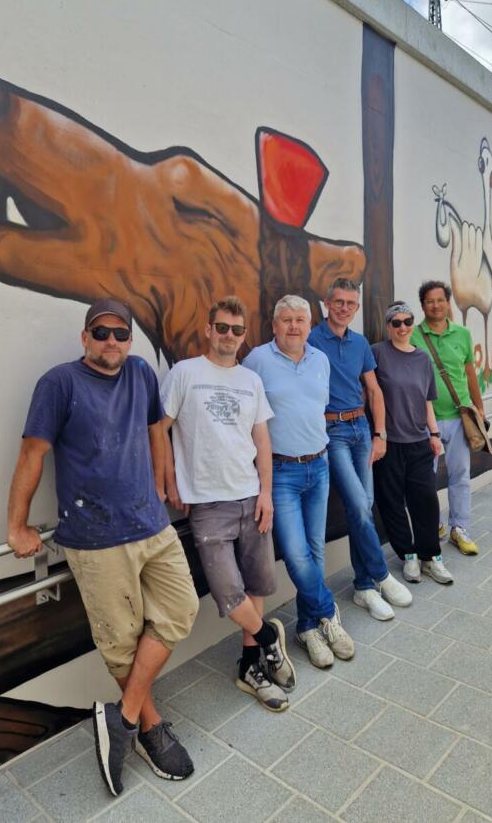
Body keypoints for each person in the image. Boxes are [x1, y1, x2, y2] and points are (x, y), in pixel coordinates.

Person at [6, 298, 199, 797]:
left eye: (120, 333)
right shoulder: (59, 383)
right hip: (94, 538)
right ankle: (150, 729)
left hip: (151, 524)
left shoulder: (140, 372)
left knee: (182, 607)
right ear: (85, 336)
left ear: (130, 340)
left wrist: (162, 483)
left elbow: (156, 429)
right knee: (121, 642)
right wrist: (17, 525)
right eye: (101, 332)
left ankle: (123, 718)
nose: (111, 341)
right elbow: (32, 453)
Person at [160, 296, 296, 713]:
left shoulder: (250, 380)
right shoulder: (184, 373)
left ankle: (251, 667)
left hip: (250, 494)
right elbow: (158, 430)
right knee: (228, 592)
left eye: (237, 331)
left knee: (256, 585)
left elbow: (262, 441)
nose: (229, 336)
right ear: (208, 329)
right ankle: (271, 639)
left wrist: (267, 493)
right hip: (207, 503)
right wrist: (167, 481)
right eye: (222, 328)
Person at [243, 295, 355, 669]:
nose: (293, 326)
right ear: (274, 325)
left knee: (315, 552)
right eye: (286, 320)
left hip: (318, 466)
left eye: (300, 320)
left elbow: (319, 409)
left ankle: (308, 627)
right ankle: (328, 613)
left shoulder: (319, 360)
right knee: (294, 554)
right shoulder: (256, 361)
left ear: (310, 325)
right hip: (282, 473)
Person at [308, 278, 412, 621]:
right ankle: (381, 575)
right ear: (326, 303)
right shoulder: (310, 340)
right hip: (332, 431)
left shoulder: (360, 343)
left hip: (361, 429)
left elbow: (374, 389)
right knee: (357, 503)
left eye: (351, 304)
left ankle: (364, 586)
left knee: (362, 507)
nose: (344, 308)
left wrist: (380, 433)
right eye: (338, 302)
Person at [371, 302, 454, 585]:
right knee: (392, 502)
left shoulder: (422, 359)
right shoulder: (377, 353)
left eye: (407, 321)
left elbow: (426, 401)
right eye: (396, 323)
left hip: (419, 441)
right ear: (388, 326)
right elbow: (371, 394)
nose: (403, 327)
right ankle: (408, 555)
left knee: (426, 501)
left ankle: (431, 557)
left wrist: (434, 435)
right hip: (389, 444)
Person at [412, 281, 485, 556]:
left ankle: (460, 528)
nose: (435, 305)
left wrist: (479, 406)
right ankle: (435, 525)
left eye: (440, 300)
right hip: (424, 422)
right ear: (423, 306)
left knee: (460, 475)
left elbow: (469, 373)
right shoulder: (414, 335)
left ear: (447, 302)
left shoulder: (462, 334)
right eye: (430, 301)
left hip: (458, 416)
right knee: (424, 479)